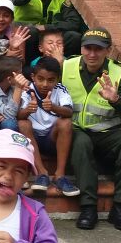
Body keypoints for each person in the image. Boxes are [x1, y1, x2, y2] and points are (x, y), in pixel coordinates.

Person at [63, 28, 121, 231]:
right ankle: (88, 207)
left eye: (98, 49)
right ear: (81, 48)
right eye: (88, 48)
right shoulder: (66, 66)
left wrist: (116, 100)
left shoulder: (118, 72)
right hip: (77, 129)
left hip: (109, 132)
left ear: (108, 51)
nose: (92, 54)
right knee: (81, 143)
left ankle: (120, 208)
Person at [18, 56, 79, 197]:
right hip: (32, 139)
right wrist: (28, 110)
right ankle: (41, 173)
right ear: (33, 77)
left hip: (52, 138)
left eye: (50, 80)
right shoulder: (27, 89)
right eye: (40, 79)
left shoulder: (60, 89)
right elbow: (19, 115)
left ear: (57, 79)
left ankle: (60, 175)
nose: (45, 84)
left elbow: (69, 111)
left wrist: (53, 107)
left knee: (66, 122)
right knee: (22, 123)